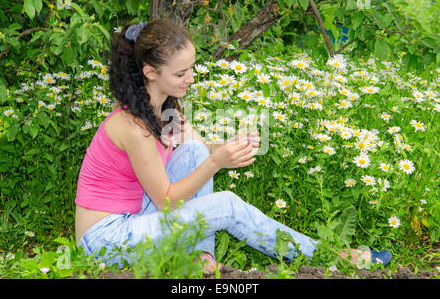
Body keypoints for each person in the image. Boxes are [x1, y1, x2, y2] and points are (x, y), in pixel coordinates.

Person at [74, 19, 392, 272]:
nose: (191, 78)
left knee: (196, 152)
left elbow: (201, 148)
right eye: (181, 72)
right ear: (151, 73)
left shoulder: (163, 108)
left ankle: (199, 258)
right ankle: (331, 256)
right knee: (225, 204)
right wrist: (217, 163)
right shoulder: (133, 127)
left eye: (192, 68)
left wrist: (229, 148)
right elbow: (168, 201)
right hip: (106, 241)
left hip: (134, 218)